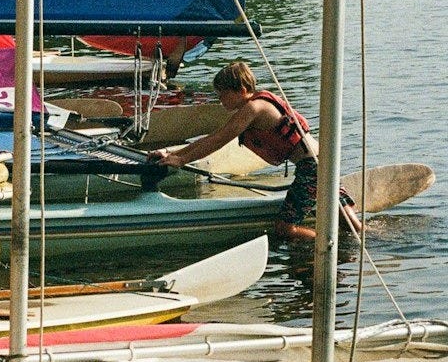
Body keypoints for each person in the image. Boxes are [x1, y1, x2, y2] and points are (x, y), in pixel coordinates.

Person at [149, 61, 361, 239]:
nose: (220, 100)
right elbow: (212, 137)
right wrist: (173, 155)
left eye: (223, 94)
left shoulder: (253, 108)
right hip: (324, 160)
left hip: (312, 168)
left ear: (241, 90)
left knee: (285, 229)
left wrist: (181, 161)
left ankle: (329, 245)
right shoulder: (257, 104)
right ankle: (363, 242)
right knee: (351, 226)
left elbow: (218, 140)